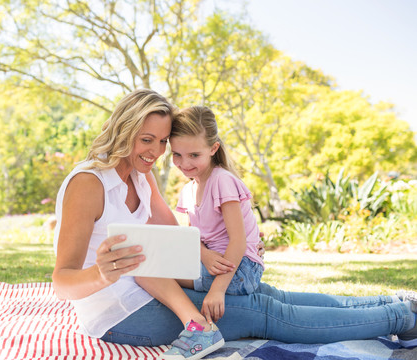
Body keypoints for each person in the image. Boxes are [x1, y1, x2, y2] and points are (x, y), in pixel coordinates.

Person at [52, 89, 417, 360]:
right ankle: (402, 319)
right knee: (267, 314)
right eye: (147, 140)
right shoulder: (89, 184)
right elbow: (63, 282)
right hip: (121, 313)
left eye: (163, 141)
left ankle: (395, 302)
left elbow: (175, 236)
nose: (157, 151)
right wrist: (102, 273)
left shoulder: (140, 175)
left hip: (157, 288)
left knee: (272, 296)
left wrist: (219, 254)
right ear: (123, 129)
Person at [169, 106, 265, 327]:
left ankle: (195, 324)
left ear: (213, 149)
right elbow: (196, 238)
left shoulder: (222, 180)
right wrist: (205, 255)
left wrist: (217, 291)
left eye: (194, 155)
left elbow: (239, 241)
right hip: (220, 263)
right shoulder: (188, 190)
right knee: (158, 266)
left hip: (240, 268)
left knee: (156, 275)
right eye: (177, 155)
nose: (184, 164)